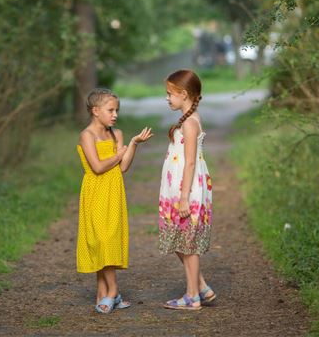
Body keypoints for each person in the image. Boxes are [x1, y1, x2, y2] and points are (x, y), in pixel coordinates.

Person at [76, 87, 153, 314]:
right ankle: (113, 291)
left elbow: (123, 167)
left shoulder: (116, 135)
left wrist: (134, 144)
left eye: (117, 110)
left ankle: (105, 292)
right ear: (95, 110)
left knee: (109, 238)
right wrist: (118, 154)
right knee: (100, 240)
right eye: (110, 110)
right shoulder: (86, 136)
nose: (115, 114)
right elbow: (98, 167)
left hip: (113, 191)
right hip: (95, 192)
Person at [158, 69, 216, 311]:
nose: (167, 98)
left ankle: (192, 296)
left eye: (170, 94)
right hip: (177, 188)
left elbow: (190, 161)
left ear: (183, 94)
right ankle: (201, 287)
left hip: (187, 190)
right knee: (178, 239)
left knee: (187, 243)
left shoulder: (191, 123)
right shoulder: (187, 119)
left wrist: (184, 197)